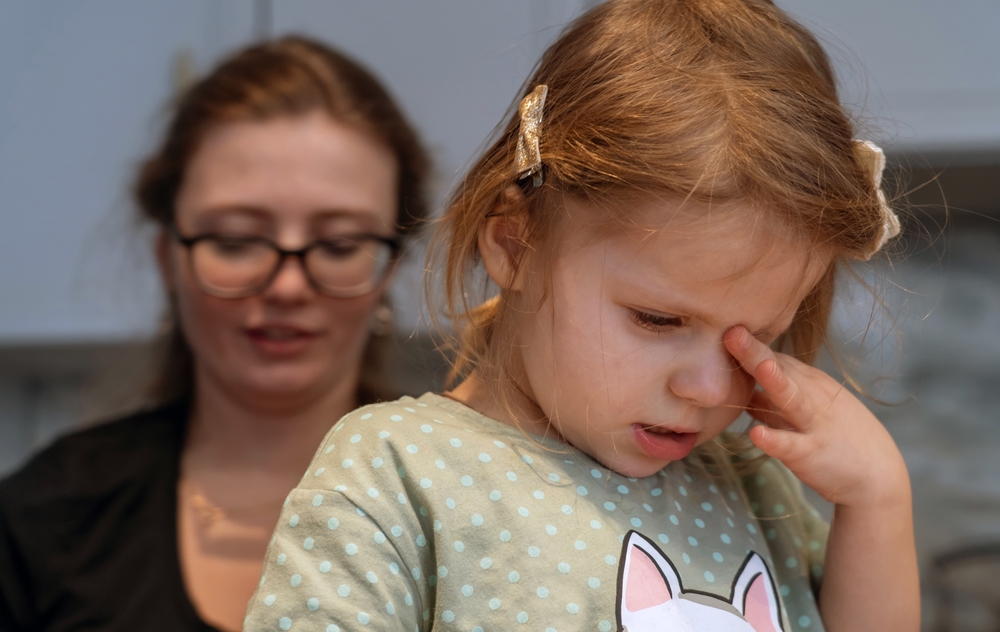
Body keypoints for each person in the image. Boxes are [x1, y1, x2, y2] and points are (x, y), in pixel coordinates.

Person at [243, 2, 918, 631]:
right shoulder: (399, 471)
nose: (710, 390)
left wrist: (877, 502)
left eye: (756, 338)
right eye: (657, 320)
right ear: (515, 244)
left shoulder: (749, 485)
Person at [0, 37, 429, 631]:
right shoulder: (46, 518)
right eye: (235, 240)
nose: (286, 287)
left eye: (339, 245)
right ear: (166, 258)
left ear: (391, 269)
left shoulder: (465, 511)